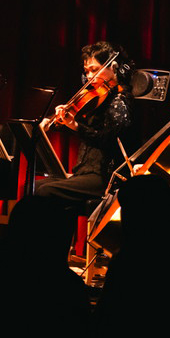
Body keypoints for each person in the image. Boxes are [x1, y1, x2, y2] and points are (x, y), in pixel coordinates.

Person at [34, 42, 134, 213]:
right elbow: (79, 125)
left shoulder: (120, 101)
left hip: (105, 176)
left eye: (95, 70)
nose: (89, 77)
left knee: (45, 191)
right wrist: (53, 120)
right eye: (86, 71)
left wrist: (75, 126)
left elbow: (106, 139)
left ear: (113, 68)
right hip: (84, 172)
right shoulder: (97, 97)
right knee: (34, 185)